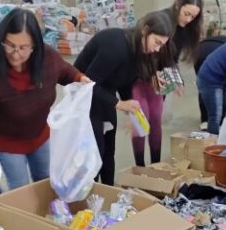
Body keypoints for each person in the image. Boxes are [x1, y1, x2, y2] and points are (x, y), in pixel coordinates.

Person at [0, 9, 92, 191]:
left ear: (35, 46)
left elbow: (64, 71)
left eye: (23, 48)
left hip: (40, 135)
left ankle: (47, 217)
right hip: (7, 143)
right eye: (10, 45)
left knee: (47, 182)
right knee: (20, 188)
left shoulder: (47, 58)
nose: (15, 54)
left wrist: (79, 78)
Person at [74, 11, 176, 185]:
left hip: (105, 94)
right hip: (84, 97)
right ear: (145, 30)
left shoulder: (140, 51)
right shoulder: (116, 45)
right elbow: (87, 84)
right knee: (95, 152)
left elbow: (124, 80)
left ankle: (108, 191)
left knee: (108, 151)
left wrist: (132, 110)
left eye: (162, 45)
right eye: (157, 42)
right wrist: (119, 103)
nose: (157, 49)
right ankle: (90, 195)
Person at [131, 0, 203, 167]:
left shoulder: (185, 30)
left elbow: (172, 59)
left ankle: (156, 166)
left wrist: (175, 78)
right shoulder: (159, 21)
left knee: (156, 119)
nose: (188, 20)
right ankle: (139, 168)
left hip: (158, 79)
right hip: (138, 75)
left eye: (193, 17)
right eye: (186, 14)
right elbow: (140, 53)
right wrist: (153, 75)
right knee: (141, 121)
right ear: (178, 4)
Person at [194, 35, 226, 130]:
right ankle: (219, 120)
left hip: (199, 50)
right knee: (223, 88)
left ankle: (205, 120)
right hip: (218, 52)